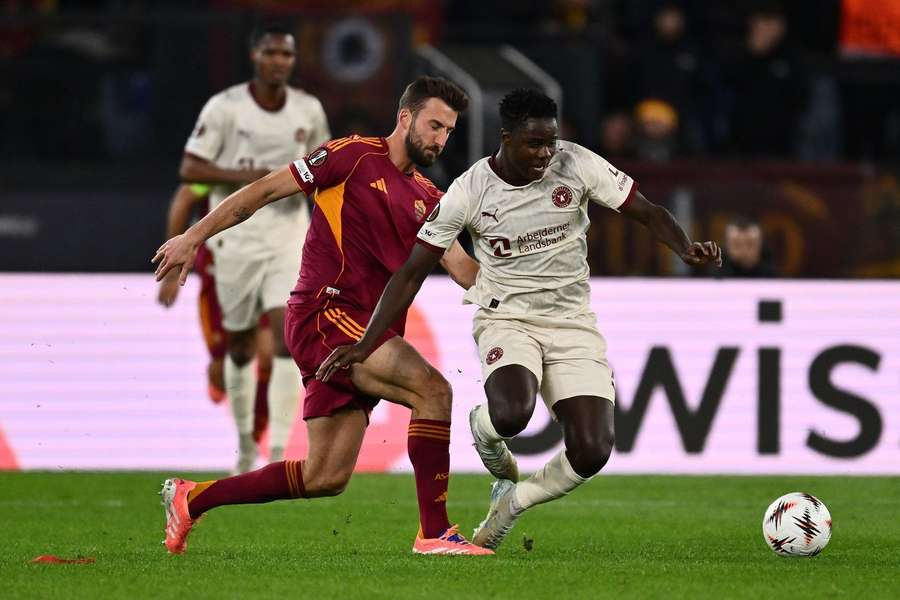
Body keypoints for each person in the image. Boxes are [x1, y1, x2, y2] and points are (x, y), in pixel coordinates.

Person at [317, 88, 722, 551]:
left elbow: (648, 211)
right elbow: (411, 272)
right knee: (511, 415)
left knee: (593, 449)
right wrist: (366, 343)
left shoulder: (576, 163)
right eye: (534, 144)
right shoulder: (470, 190)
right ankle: (485, 429)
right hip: (506, 317)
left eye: (551, 142)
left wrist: (685, 247)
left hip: (572, 321)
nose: (546, 154)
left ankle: (511, 504)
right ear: (506, 138)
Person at [153, 76, 491, 556]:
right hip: (325, 313)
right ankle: (434, 533)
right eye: (434, 125)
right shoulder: (351, 156)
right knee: (433, 391)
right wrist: (193, 236)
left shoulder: (429, 198)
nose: (440, 139)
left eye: (449, 131)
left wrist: (529, 288)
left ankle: (192, 499)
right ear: (405, 117)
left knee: (325, 476)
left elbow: (463, 270)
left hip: (366, 332)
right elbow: (263, 191)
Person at [180, 22, 331, 471]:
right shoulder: (225, 108)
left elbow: (327, 167)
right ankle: (246, 444)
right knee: (241, 344)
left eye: (286, 54)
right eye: (271, 53)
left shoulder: (308, 109)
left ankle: (279, 450)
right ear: (255, 56)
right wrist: (252, 180)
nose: (279, 62)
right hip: (235, 239)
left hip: (289, 237)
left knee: (287, 335)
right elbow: (190, 168)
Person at [157, 183, 274, 443]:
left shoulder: (272, 165)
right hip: (219, 278)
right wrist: (173, 271)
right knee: (225, 366)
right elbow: (184, 198)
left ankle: (257, 427)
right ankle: (220, 383)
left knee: (268, 352)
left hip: (260, 271)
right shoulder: (215, 168)